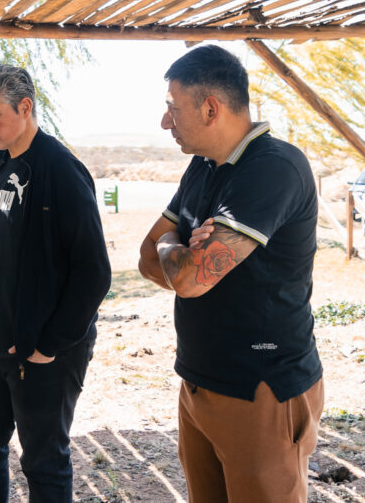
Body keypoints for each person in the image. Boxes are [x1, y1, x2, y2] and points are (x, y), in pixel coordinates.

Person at [137, 44, 324, 503]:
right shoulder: (202, 167)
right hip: (199, 380)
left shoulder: (273, 167)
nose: (164, 122)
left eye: (172, 108)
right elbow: (146, 256)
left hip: (260, 387)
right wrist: (177, 247)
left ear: (210, 108)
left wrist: (172, 245)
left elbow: (189, 280)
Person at [0, 65, 112, 502]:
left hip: (42, 351)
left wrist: (49, 344)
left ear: (25, 107)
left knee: (43, 461)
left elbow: (94, 271)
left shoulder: (61, 170)